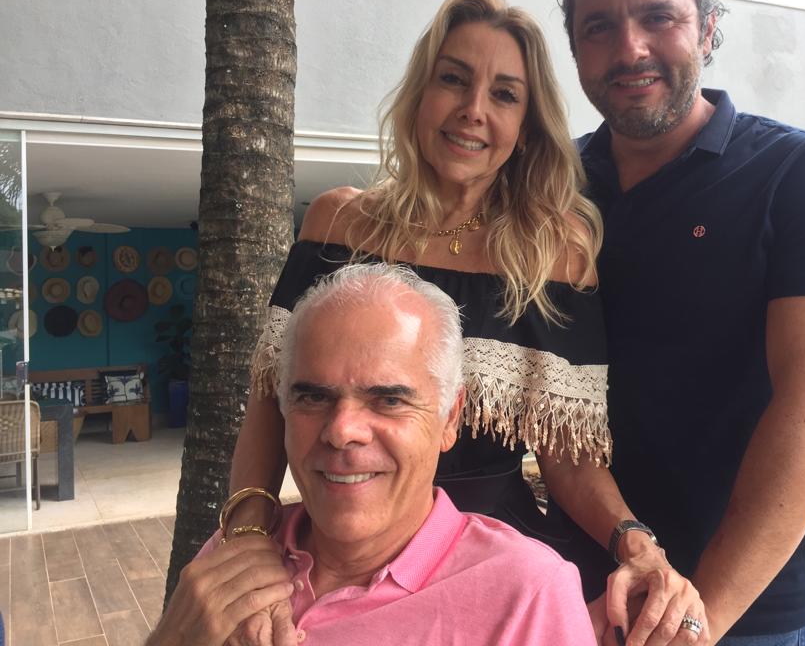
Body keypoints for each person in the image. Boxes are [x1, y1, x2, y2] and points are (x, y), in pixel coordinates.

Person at [229, 0, 706, 645]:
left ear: (525, 126)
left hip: (489, 562)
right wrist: (247, 537)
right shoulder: (337, 223)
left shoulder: (555, 255)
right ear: (421, 95)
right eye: (453, 79)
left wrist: (634, 541)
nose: (473, 110)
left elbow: (567, 457)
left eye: (504, 95)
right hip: (340, 536)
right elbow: (271, 399)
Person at [561, 0, 805, 646]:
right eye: (599, 26)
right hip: (582, 595)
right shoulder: (553, 190)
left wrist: (698, 623)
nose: (630, 49)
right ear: (575, 45)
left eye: (659, 17)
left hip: (747, 609)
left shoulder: (801, 176)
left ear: (707, 27)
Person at [149, 264, 597, 645]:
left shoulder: (526, 593)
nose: (342, 431)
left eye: (389, 400)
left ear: (449, 418)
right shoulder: (236, 554)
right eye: (314, 397)